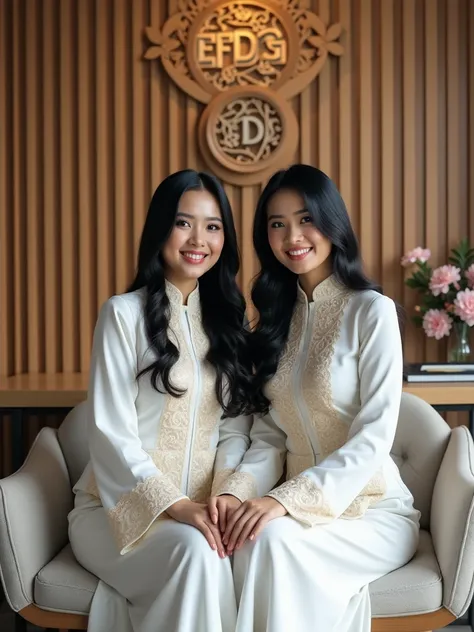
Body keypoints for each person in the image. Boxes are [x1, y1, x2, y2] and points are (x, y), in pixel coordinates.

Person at [213, 164, 420, 632]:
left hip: (373, 509)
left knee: (269, 541)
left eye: (306, 218)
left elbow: (374, 437)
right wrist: (236, 492)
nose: (293, 236)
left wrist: (285, 501)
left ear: (332, 223)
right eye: (277, 224)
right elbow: (270, 434)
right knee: (247, 536)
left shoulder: (373, 312)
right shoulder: (276, 321)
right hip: (294, 509)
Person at [68, 170, 272, 632]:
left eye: (213, 226)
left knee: (229, 549)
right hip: (115, 513)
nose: (198, 239)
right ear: (160, 228)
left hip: (201, 516)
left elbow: (235, 430)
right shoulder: (122, 314)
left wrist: (226, 494)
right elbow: (109, 432)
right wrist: (176, 506)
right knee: (201, 554)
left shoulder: (229, 325)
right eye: (184, 223)